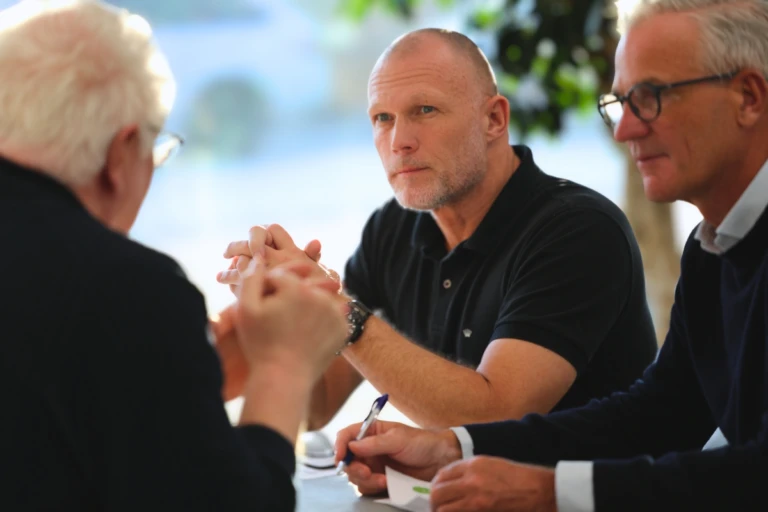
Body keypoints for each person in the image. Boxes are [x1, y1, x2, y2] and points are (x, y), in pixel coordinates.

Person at [333, 0, 768, 510]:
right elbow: (663, 413)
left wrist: (551, 491)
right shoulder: (711, 248)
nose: (624, 130)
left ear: (748, 97)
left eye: (651, 97)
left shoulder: (581, 227)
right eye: (620, 103)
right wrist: (453, 449)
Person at [217, 28, 657, 429]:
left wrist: (336, 309)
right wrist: (281, 305)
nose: (398, 141)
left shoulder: (579, 231)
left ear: (494, 120)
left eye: (424, 110)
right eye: (382, 118)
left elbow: (495, 417)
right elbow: (316, 407)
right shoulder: (391, 228)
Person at [0, 1, 347, 511]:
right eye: (156, 151)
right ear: (120, 155)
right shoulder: (125, 289)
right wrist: (282, 366)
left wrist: (177, 377)